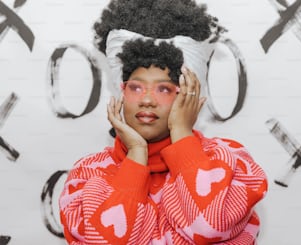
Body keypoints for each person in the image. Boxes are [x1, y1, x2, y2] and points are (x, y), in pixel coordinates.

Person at [59, 0, 268, 244]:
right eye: (136, 87)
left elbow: (211, 226)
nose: (147, 99)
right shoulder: (89, 173)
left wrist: (181, 133)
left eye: (164, 89)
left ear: (189, 94)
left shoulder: (230, 160)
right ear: (121, 93)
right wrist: (137, 156)